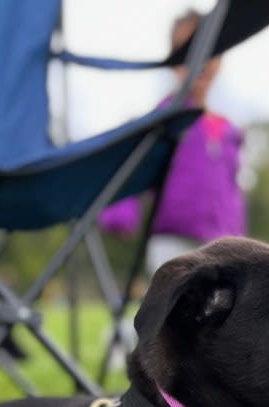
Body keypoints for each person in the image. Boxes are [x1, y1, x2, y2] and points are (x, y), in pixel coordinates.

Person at [98, 8, 246, 276]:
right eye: (186, 51)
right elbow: (132, 164)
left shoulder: (228, 131)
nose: (199, 61)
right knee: (177, 302)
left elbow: (233, 189)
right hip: (171, 235)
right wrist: (119, 215)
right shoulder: (164, 117)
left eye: (209, 50)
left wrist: (238, 233)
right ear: (174, 61)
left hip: (222, 240)